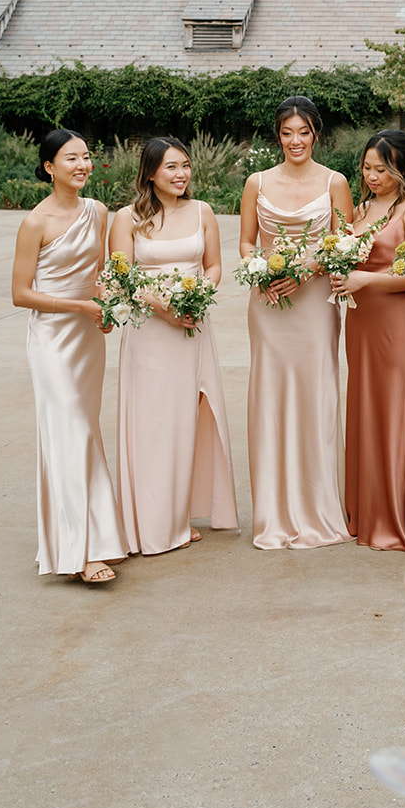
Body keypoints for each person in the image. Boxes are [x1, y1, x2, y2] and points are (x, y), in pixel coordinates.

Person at [109, 137, 238, 556]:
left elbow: (213, 266)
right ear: (150, 173)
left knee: (185, 421)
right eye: (171, 167)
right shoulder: (127, 218)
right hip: (149, 332)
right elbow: (121, 277)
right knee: (151, 423)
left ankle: (177, 515)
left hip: (192, 328)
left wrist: (198, 294)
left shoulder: (203, 211)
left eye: (185, 165)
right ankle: (148, 522)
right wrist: (162, 307)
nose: (181, 174)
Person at [239, 96, 354, 549]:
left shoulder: (335, 182)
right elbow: (246, 243)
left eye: (303, 132)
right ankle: (273, 512)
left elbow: (343, 244)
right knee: (270, 398)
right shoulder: (256, 182)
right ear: (277, 136)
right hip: (268, 304)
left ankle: (318, 510)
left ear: (316, 134)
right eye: (287, 133)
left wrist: (307, 270)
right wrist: (260, 272)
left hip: (315, 304)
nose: (295, 141)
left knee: (316, 394)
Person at [11, 129, 125, 583]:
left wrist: (106, 307)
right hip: (53, 340)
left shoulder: (97, 211)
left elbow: (97, 273)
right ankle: (80, 552)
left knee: (85, 431)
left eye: (86, 156)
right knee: (69, 431)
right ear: (49, 167)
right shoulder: (34, 222)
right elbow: (21, 294)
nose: (82, 165)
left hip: (88, 337)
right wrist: (79, 306)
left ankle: (99, 538)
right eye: (71, 158)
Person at [333, 129, 405, 550]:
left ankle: (396, 516)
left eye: (381, 169)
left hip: (393, 321)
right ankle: (366, 509)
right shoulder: (360, 209)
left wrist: (364, 279)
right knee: (365, 407)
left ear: (401, 168)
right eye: (367, 168)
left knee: (394, 409)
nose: (372, 176)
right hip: (360, 321)